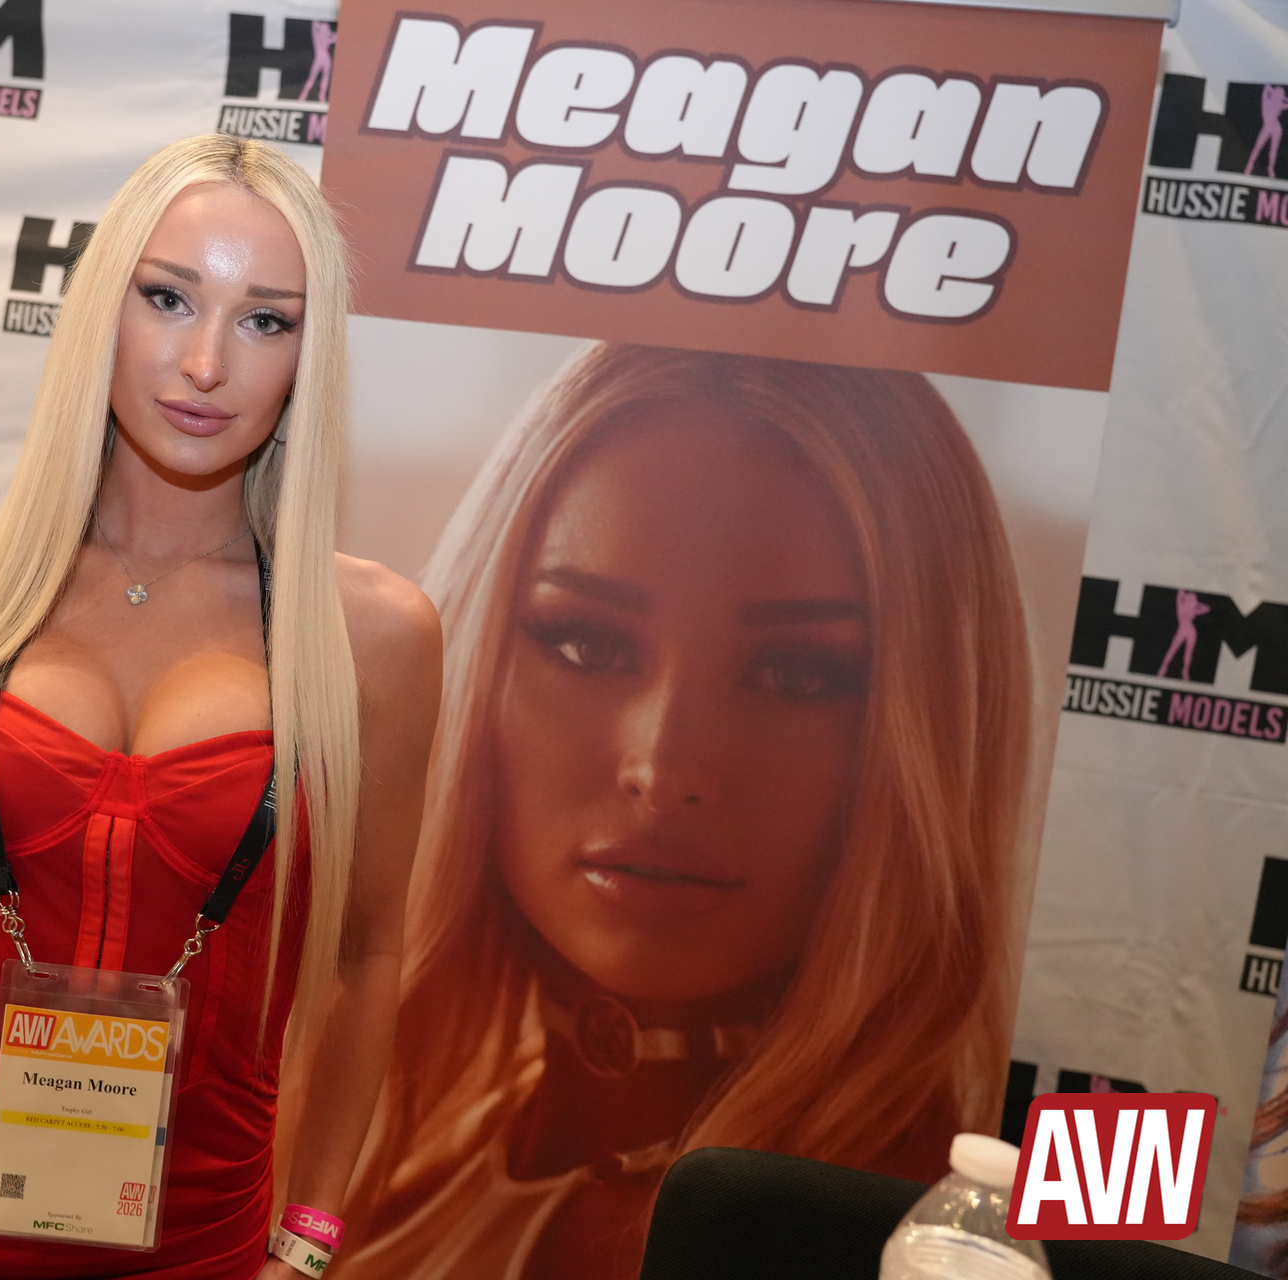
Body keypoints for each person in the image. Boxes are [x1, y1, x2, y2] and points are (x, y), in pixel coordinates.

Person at [0, 134, 440, 1280]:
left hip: (184, 1233)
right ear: (98, 312)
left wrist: (311, 1235)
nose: (207, 362)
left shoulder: (371, 635)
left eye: (265, 320)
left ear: (308, 356)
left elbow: (368, 953)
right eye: (168, 298)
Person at [337, 343, 1031, 1279]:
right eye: (586, 644)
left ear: (929, 734)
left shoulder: (893, 1249)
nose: (662, 770)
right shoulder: (394, 1152)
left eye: (795, 674)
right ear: (479, 664)